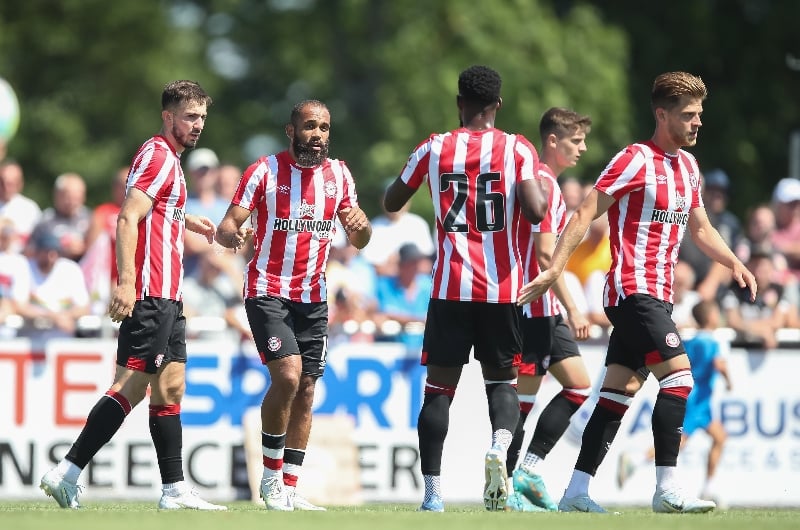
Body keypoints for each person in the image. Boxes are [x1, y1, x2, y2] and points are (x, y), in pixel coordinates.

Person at [518, 71, 757, 514]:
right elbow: (587, 209)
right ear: (662, 114)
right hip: (632, 290)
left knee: (615, 396)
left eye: (699, 115)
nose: (697, 123)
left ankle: (575, 493)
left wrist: (734, 262)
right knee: (680, 378)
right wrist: (555, 269)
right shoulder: (635, 159)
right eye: (688, 115)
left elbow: (701, 228)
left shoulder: (688, 167)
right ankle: (667, 488)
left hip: (658, 295)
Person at [39, 80, 225, 511]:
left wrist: (192, 221)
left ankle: (174, 490)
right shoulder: (159, 154)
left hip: (171, 297)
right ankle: (66, 471)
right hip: (152, 294)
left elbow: (160, 210)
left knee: (170, 386)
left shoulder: (173, 162)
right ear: (168, 116)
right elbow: (127, 219)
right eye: (190, 116)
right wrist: (126, 282)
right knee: (131, 386)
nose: (198, 125)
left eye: (201, 117)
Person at [383, 65, 549, 512]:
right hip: (502, 289)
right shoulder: (517, 148)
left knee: (438, 391)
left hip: (448, 287)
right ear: (498, 104)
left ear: (459, 103)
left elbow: (391, 202)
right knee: (503, 384)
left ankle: (433, 495)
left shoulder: (434, 147)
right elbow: (536, 212)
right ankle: (499, 445)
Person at [215, 99, 372, 511]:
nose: (316, 135)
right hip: (268, 289)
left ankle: (288, 485)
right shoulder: (264, 170)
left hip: (314, 296)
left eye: (323, 128)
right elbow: (228, 225)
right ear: (291, 131)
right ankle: (269, 481)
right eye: (308, 126)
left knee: (306, 389)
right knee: (287, 375)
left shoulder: (339, 175)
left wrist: (361, 228)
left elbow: (360, 236)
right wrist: (234, 234)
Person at [505, 107, 594, 512]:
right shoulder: (541, 182)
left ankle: (528, 470)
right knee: (521, 403)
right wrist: (575, 308)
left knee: (577, 385)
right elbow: (545, 257)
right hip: (531, 308)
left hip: (544, 307)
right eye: (576, 141)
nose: (583, 148)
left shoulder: (546, 184)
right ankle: (506, 487)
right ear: (553, 141)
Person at [617, 299, 732, 508]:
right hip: (697, 401)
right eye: (716, 312)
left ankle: (708, 488)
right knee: (679, 442)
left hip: (698, 401)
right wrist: (729, 381)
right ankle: (635, 459)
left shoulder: (690, 340)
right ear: (710, 316)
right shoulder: (711, 342)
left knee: (719, 437)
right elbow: (718, 364)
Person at [28, 172, 92, 262]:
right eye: (68, 197)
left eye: (76, 198)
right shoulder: (45, 221)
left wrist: (84, 248)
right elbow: (30, 251)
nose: (72, 202)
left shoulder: (90, 219)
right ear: (57, 195)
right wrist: (61, 250)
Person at [0, 159, 42, 248]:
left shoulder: (30, 209)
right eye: (2, 182)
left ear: (20, 184)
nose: (6, 188)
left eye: (10, 184)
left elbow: (38, 240)